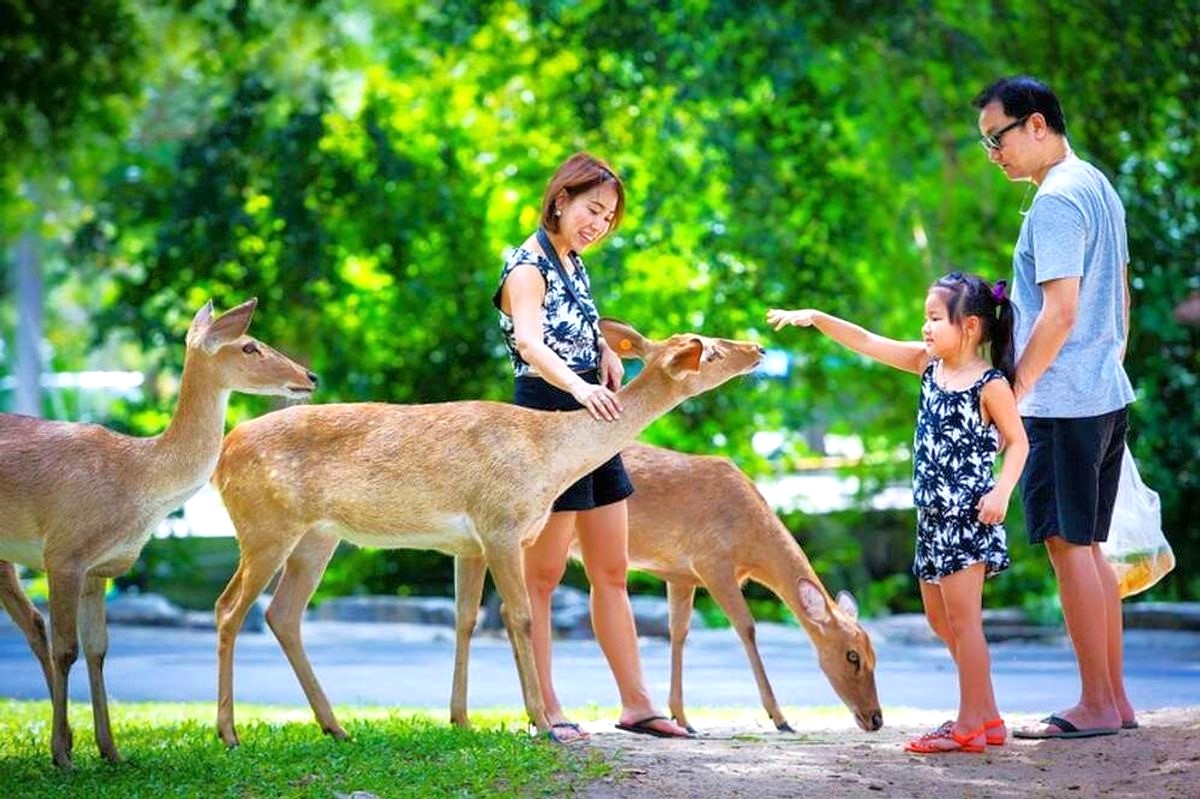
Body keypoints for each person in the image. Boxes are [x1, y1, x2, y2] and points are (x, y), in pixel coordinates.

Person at [768, 271, 1028, 753]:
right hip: (931, 519)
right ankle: (988, 716)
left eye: (934, 318)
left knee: (966, 623)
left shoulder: (990, 385)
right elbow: (867, 341)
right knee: (939, 620)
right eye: (924, 318)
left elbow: (1018, 443)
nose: (925, 328)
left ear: (969, 327)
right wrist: (817, 318)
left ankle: (969, 723)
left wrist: (1002, 493)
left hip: (968, 519)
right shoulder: (929, 365)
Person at [492, 152, 691, 742]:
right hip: (547, 422)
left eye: (607, 218)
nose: (598, 224)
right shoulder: (527, 266)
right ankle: (544, 707)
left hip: (595, 425)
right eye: (592, 210)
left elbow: (577, 324)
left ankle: (638, 705)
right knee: (543, 577)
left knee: (611, 571)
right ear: (560, 199)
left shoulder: (573, 264)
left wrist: (602, 353)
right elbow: (530, 343)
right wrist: (579, 385)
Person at [974, 76, 1137, 739]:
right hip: (1102, 394)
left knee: (1070, 548)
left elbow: (1060, 310)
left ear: (1035, 124)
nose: (994, 153)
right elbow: (1121, 297)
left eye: (998, 137)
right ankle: (1115, 699)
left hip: (1065, 403)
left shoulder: (1057, 201)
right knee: (1089, 549)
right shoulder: (1095, 183)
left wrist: (1012, 389)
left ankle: (1096, 701)